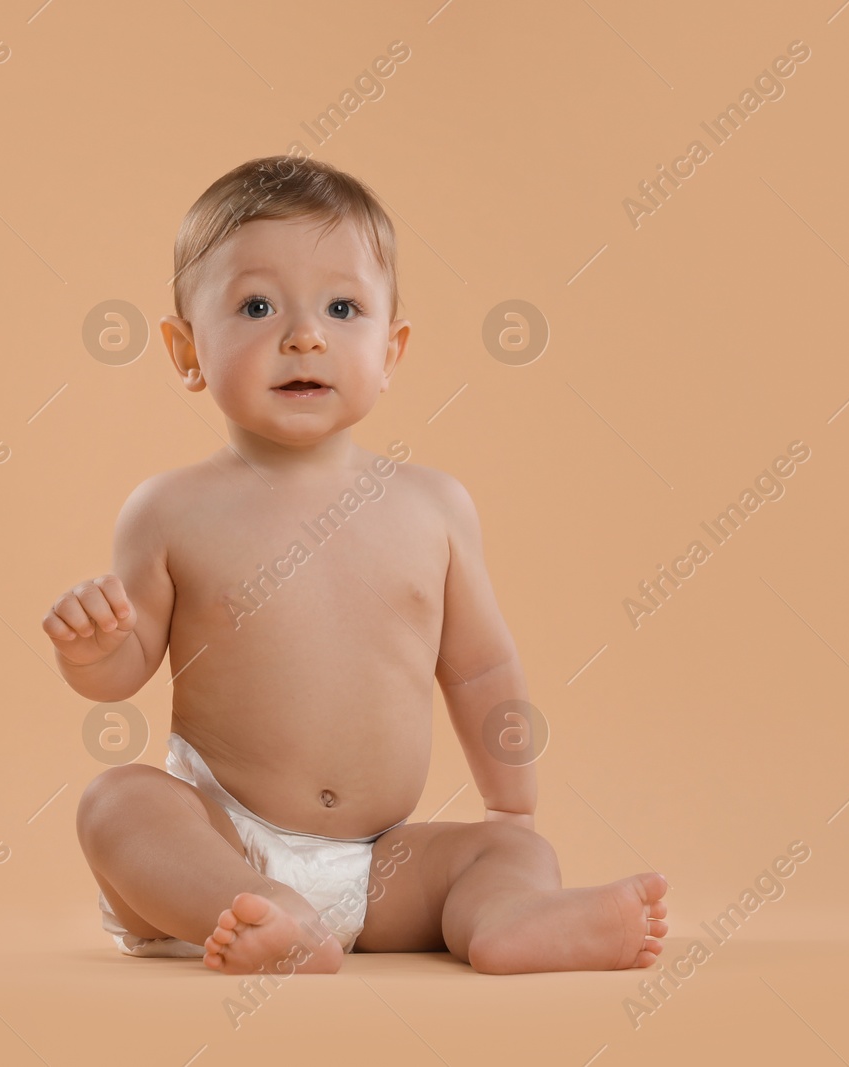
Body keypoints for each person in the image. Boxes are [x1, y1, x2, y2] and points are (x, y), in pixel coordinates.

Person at [45, 155, 667, 974]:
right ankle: (260, 911)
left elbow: (481, 670)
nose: (304, 335)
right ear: (187, 348)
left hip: (383, 865)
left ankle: (513, 918)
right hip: (222, 835)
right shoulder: (169, 510)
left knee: (508, 853)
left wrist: (512, 809)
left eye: (342, 308)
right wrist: (93, 652)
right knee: (116, 803)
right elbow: (128, 667)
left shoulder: (433, 508)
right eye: (257, 305)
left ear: (391, 351)